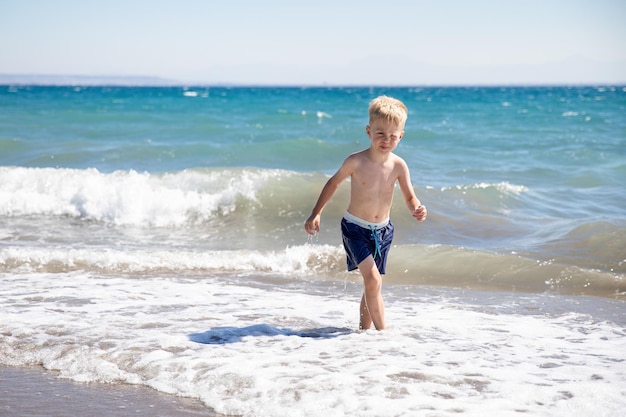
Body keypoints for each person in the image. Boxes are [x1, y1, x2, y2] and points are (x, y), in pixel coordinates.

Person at [304, 96, 427, 331]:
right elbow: (333, 183)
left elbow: (410, 197)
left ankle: (364, 334)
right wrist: (315, 213)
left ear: (401, 136)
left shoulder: (399, 165)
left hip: (384, 232)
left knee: (373, 284)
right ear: (369, 131)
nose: (386, 140)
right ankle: (384, 335)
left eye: (393, 136)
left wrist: (417, 208)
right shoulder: (356, 161)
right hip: (355, 229)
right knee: (373, 279)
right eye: (380, 134)